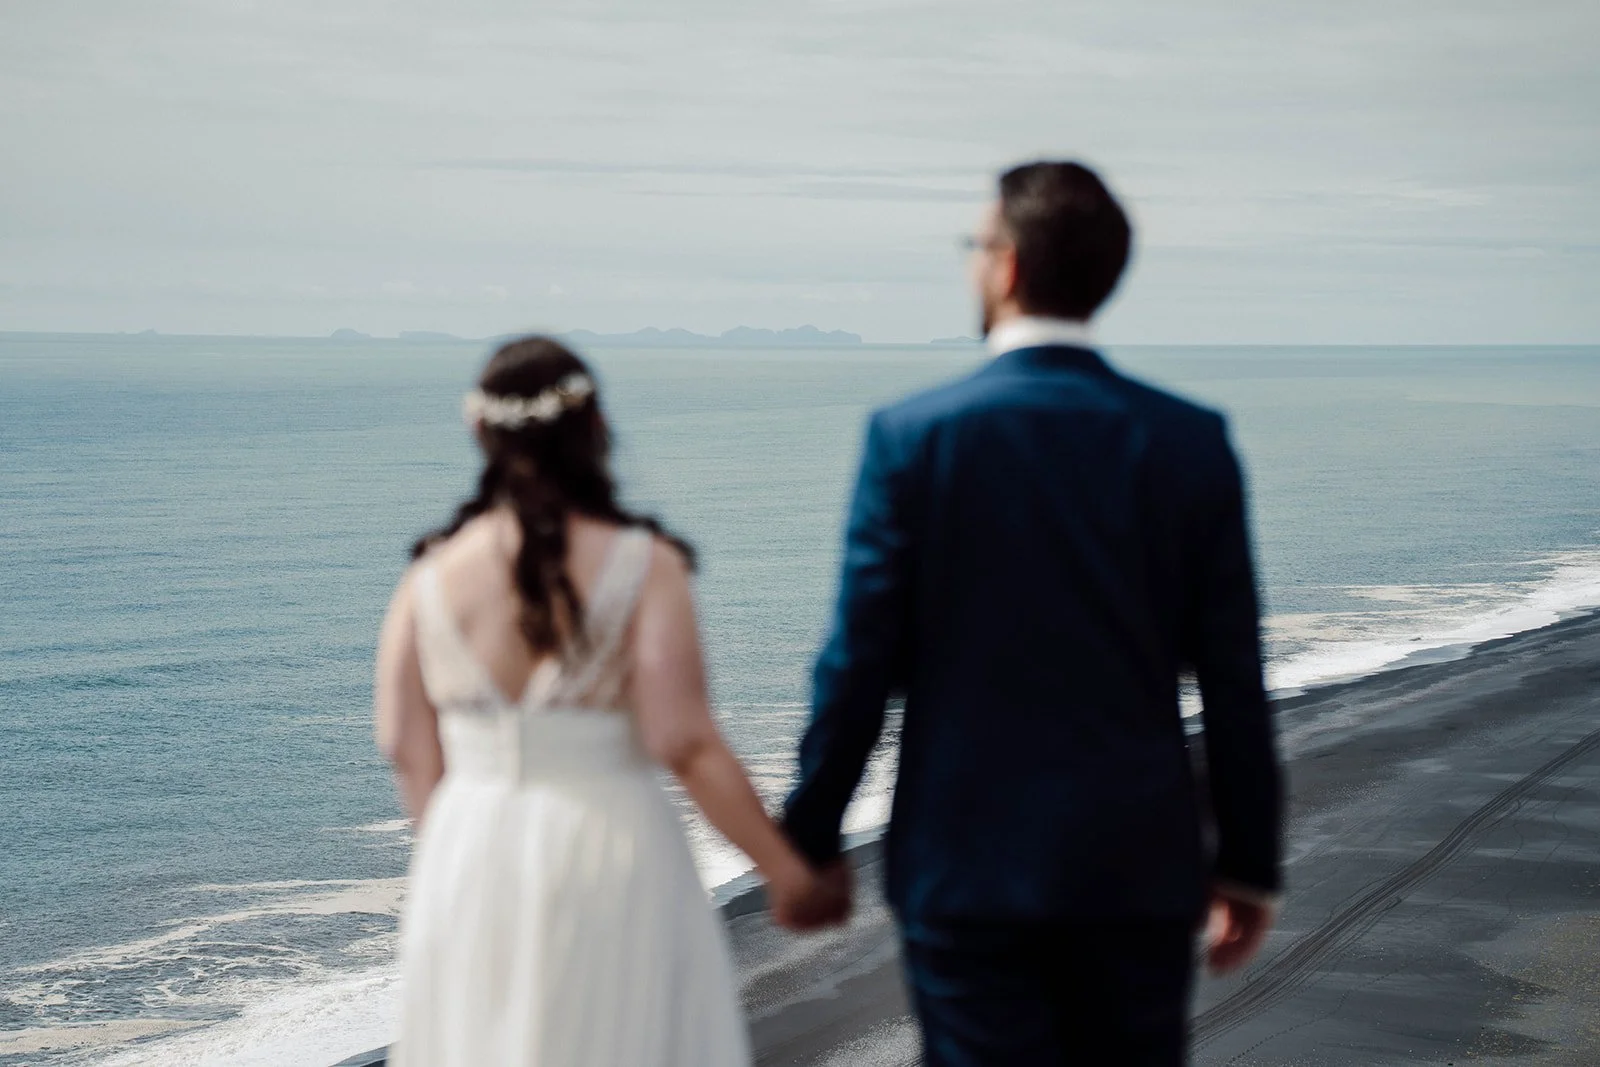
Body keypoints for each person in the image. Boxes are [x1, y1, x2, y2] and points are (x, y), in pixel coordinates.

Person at [782, 161, 1285, 1065]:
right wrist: (1248, 862)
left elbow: (859, 663)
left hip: (967, 862)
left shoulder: (914, 436)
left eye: (976, 247)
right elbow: (1234, 677)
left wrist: (810, 838)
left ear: (1007, 266)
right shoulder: (1188, 439)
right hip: (1137, 864)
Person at [373, 337, 844, 1066]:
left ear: (481, 432)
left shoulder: (428, 577)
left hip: (467, 855)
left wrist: (459, 851)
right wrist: (784, 871)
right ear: (594, 428)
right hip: (608, 845)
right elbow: (683, 741)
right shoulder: (643, 564)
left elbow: (404, 744)